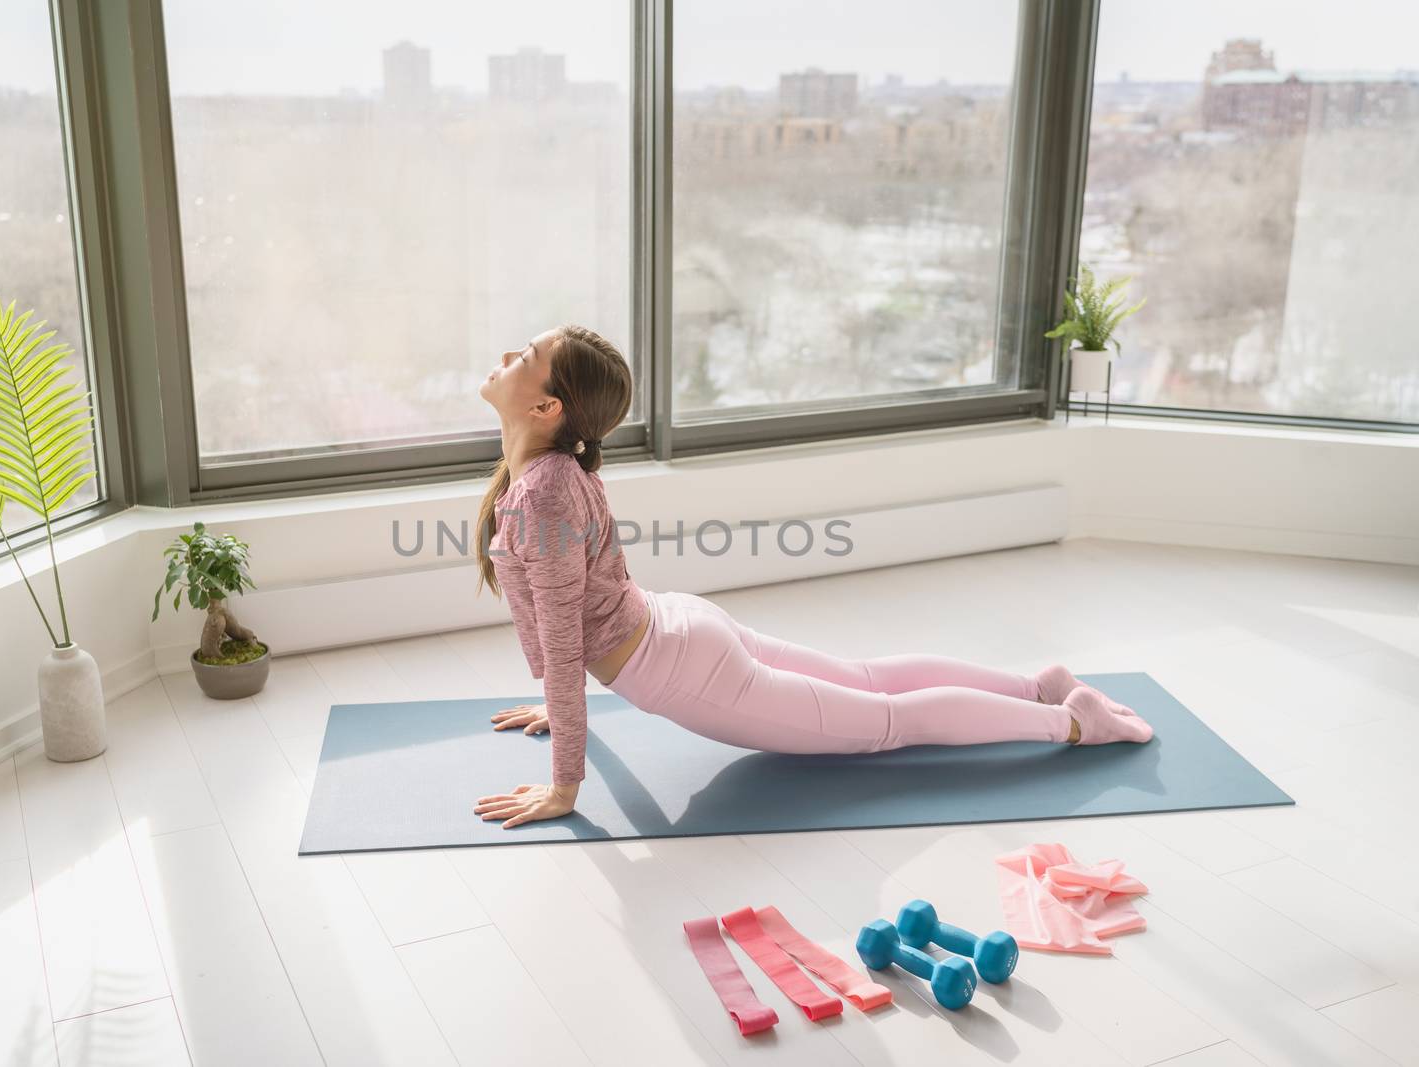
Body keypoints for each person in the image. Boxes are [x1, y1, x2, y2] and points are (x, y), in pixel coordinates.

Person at [472, 325, 1153, 830]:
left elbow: (566, 638)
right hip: (679, 627)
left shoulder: (543, 490)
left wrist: (565, 783)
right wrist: (560, 703)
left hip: (687, 664)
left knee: (888, 720)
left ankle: (1067, 721)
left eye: (527, 358)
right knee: (867, 678)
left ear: (547, 410)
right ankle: (1040, 683)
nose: (509, 356)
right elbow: (573, 613)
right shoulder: (549, 476)